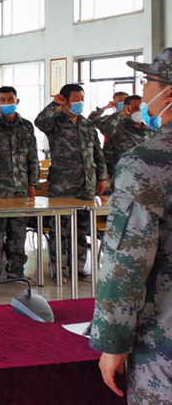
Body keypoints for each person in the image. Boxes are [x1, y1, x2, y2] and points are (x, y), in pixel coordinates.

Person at [91, 48, 172, 403]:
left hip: (163, 340)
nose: (144, 92)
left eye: (148, 82)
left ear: (168, 93)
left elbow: (126, 262)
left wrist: (112, 341)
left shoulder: (148, 162)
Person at [34, 83, 107, 280]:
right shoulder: (55, 122)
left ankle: (78, 267)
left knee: (82, 229)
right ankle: (59, 269)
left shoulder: (87, 124)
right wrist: (54, 105)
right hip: (62, 184)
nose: (80, 102)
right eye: (76, 98)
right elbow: (39, 122)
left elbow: (97, 152)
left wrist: (102, 177)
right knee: (61, 229)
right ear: (65, 100)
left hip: (86, 185)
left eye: (81, 98)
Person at [0, 86, 39, 281]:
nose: (6, 103)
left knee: (18, 231)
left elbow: (32, 156)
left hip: (20, 187)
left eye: (10, 99)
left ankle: (16, 270)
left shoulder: (26, 125)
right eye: (2, 100)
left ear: (16, 101)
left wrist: (32, 183)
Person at [95, 95, 154, 175]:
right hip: (121, 175)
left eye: (142, 109)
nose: (140, 111)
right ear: (126, 108)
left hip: (145, 175)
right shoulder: (116, 126)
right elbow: (103, 127)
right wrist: (120, 113)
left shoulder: (149, 129)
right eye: (136, 108)